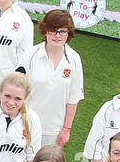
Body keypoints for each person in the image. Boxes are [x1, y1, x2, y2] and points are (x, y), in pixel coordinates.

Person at [18, 9, 83, 147]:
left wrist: (66, 130)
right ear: (45, 30)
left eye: (62, 31)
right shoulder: (30, 56)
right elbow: (17, 91)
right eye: (53, 31)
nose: (57, 36)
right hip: (26, 125)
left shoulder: (74, 59)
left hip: (54, 130)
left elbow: (73, 98)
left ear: (68, 33)